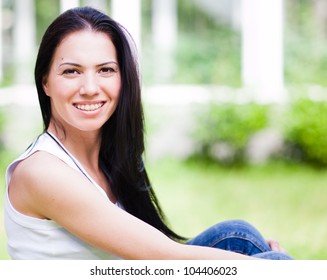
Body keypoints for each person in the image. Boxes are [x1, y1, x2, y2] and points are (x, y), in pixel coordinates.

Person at [4, 6, 292, 260]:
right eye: (72, 72)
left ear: (123, 78)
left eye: (105, 70)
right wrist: (266, 268)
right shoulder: (42, 172)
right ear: (45, 82)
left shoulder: (109, 158)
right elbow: (164, 257)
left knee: (236, 236)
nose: (90, 87)